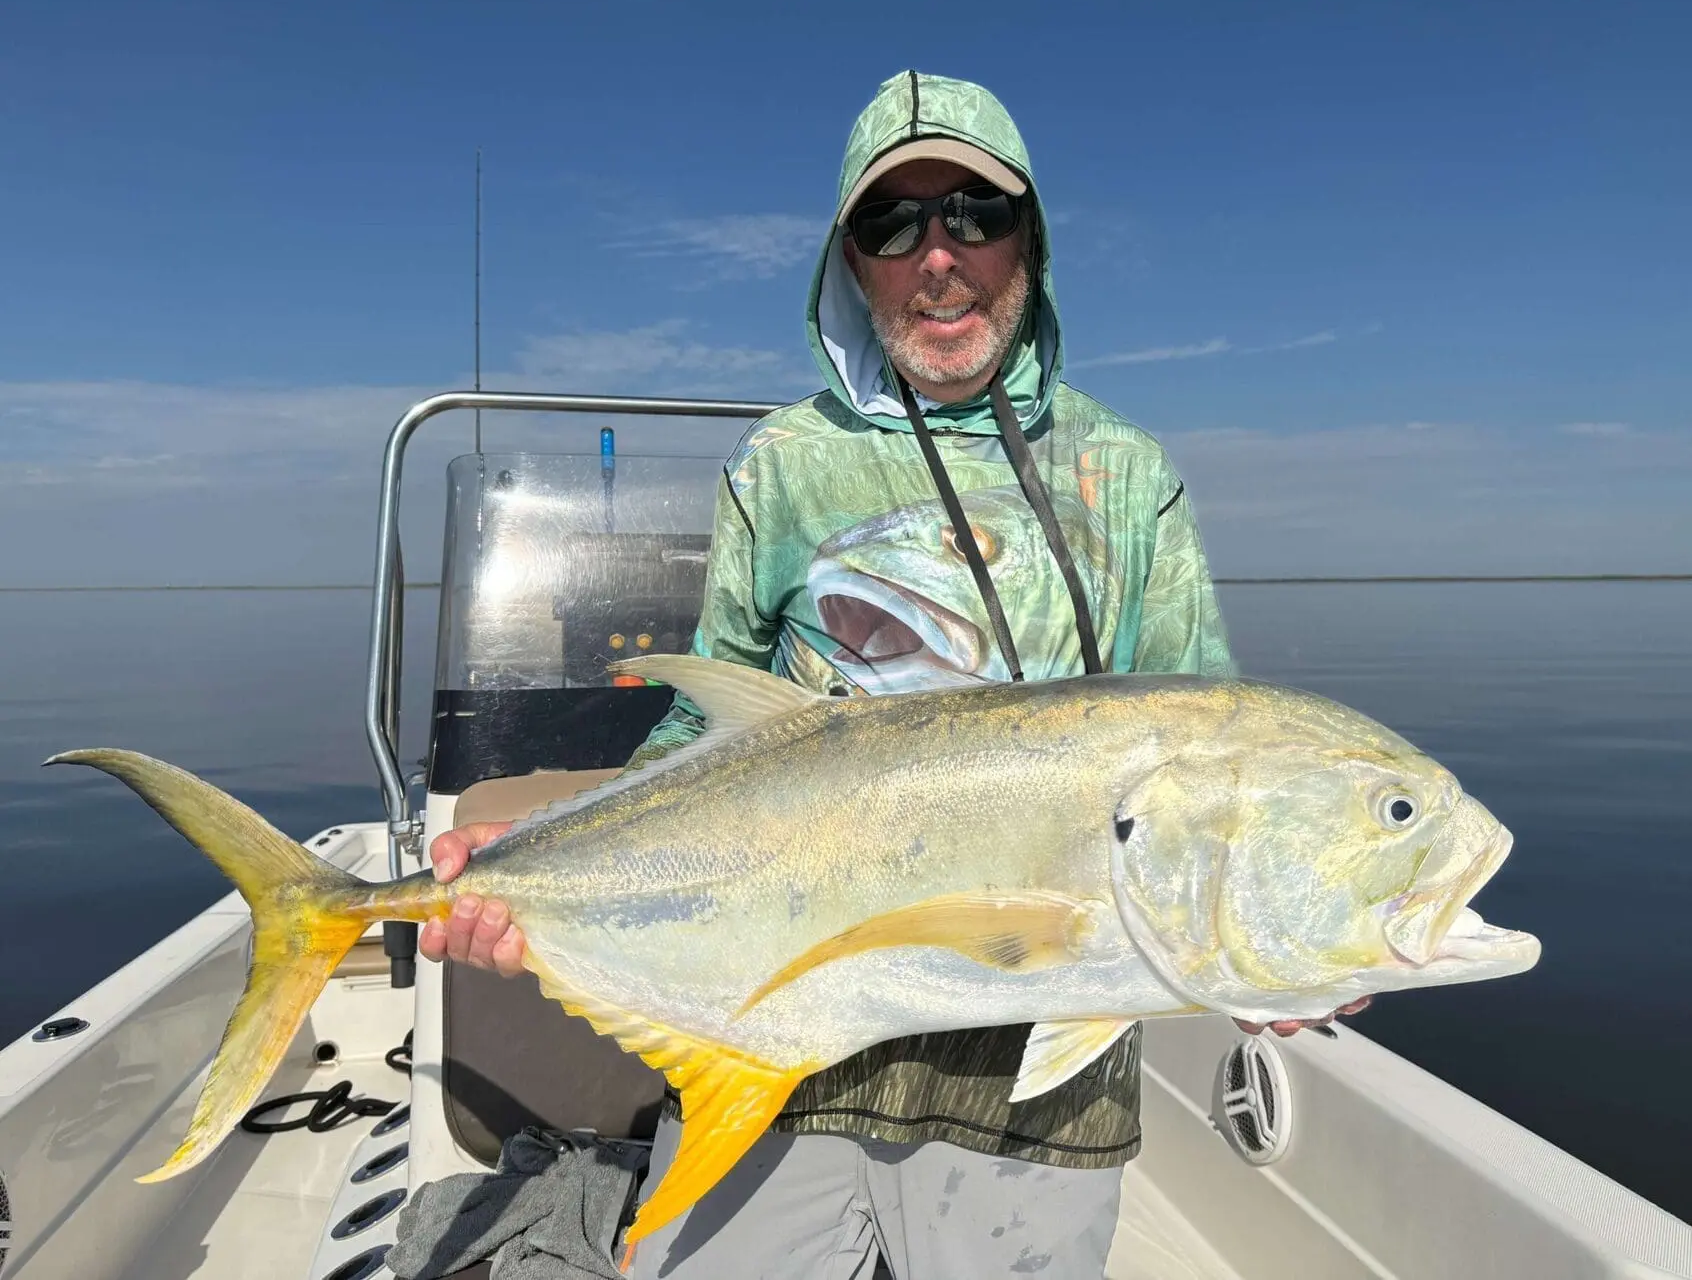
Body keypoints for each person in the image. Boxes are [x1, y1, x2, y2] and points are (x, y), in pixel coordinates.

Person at [420, 70, 1367, 1278]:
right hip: (784, 1053)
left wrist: (1288, 933)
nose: (938, 257)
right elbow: (693, 748)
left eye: (974, 212)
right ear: (849, 265)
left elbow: (1211, 768)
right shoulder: (785, 467)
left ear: (1029, 240)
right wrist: (530, 886)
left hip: (1041, 1097)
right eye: (893, 224)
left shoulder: (1127, 478)